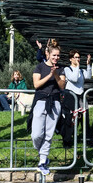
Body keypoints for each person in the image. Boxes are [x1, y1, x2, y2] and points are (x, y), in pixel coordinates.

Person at [31, 43, 66, 175]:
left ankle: (42, 161)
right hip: (41, 101)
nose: (56, 58)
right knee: (36, 134)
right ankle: (42, 154)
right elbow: (36, 84)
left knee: (49, 134)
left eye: (58, 55)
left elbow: (62, 85)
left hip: (55, 101)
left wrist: (56, 74)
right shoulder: (39, 67)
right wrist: (49, 75)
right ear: (48, 55)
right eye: (54, 55)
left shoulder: (61, 69)